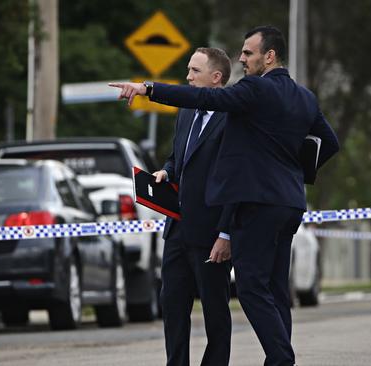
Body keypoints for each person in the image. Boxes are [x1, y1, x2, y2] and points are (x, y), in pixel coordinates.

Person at [110, 26, 339, 366]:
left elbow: (206, 98)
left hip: (257, 206)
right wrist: (292, 172)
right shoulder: (304, 96)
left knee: (250, 289)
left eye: (248, 53)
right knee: (275, 291)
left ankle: (281, 360)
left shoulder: (255, 89)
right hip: (289, 203)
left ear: (269, 56)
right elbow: (329, 143)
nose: (242, 59)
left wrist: (147, 89)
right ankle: (280, 357)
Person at [153, 47, 234, 366]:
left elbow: (234, 180)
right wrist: (166, 172)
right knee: (172, 308)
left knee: (215, 313)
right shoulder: (186, 111)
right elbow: (177, 159)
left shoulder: (233, 118)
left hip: (211, 234)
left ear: (216, 78)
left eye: (194, 72)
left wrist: (226, 233)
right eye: (188, 70)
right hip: (176, 230)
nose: (187, 77)